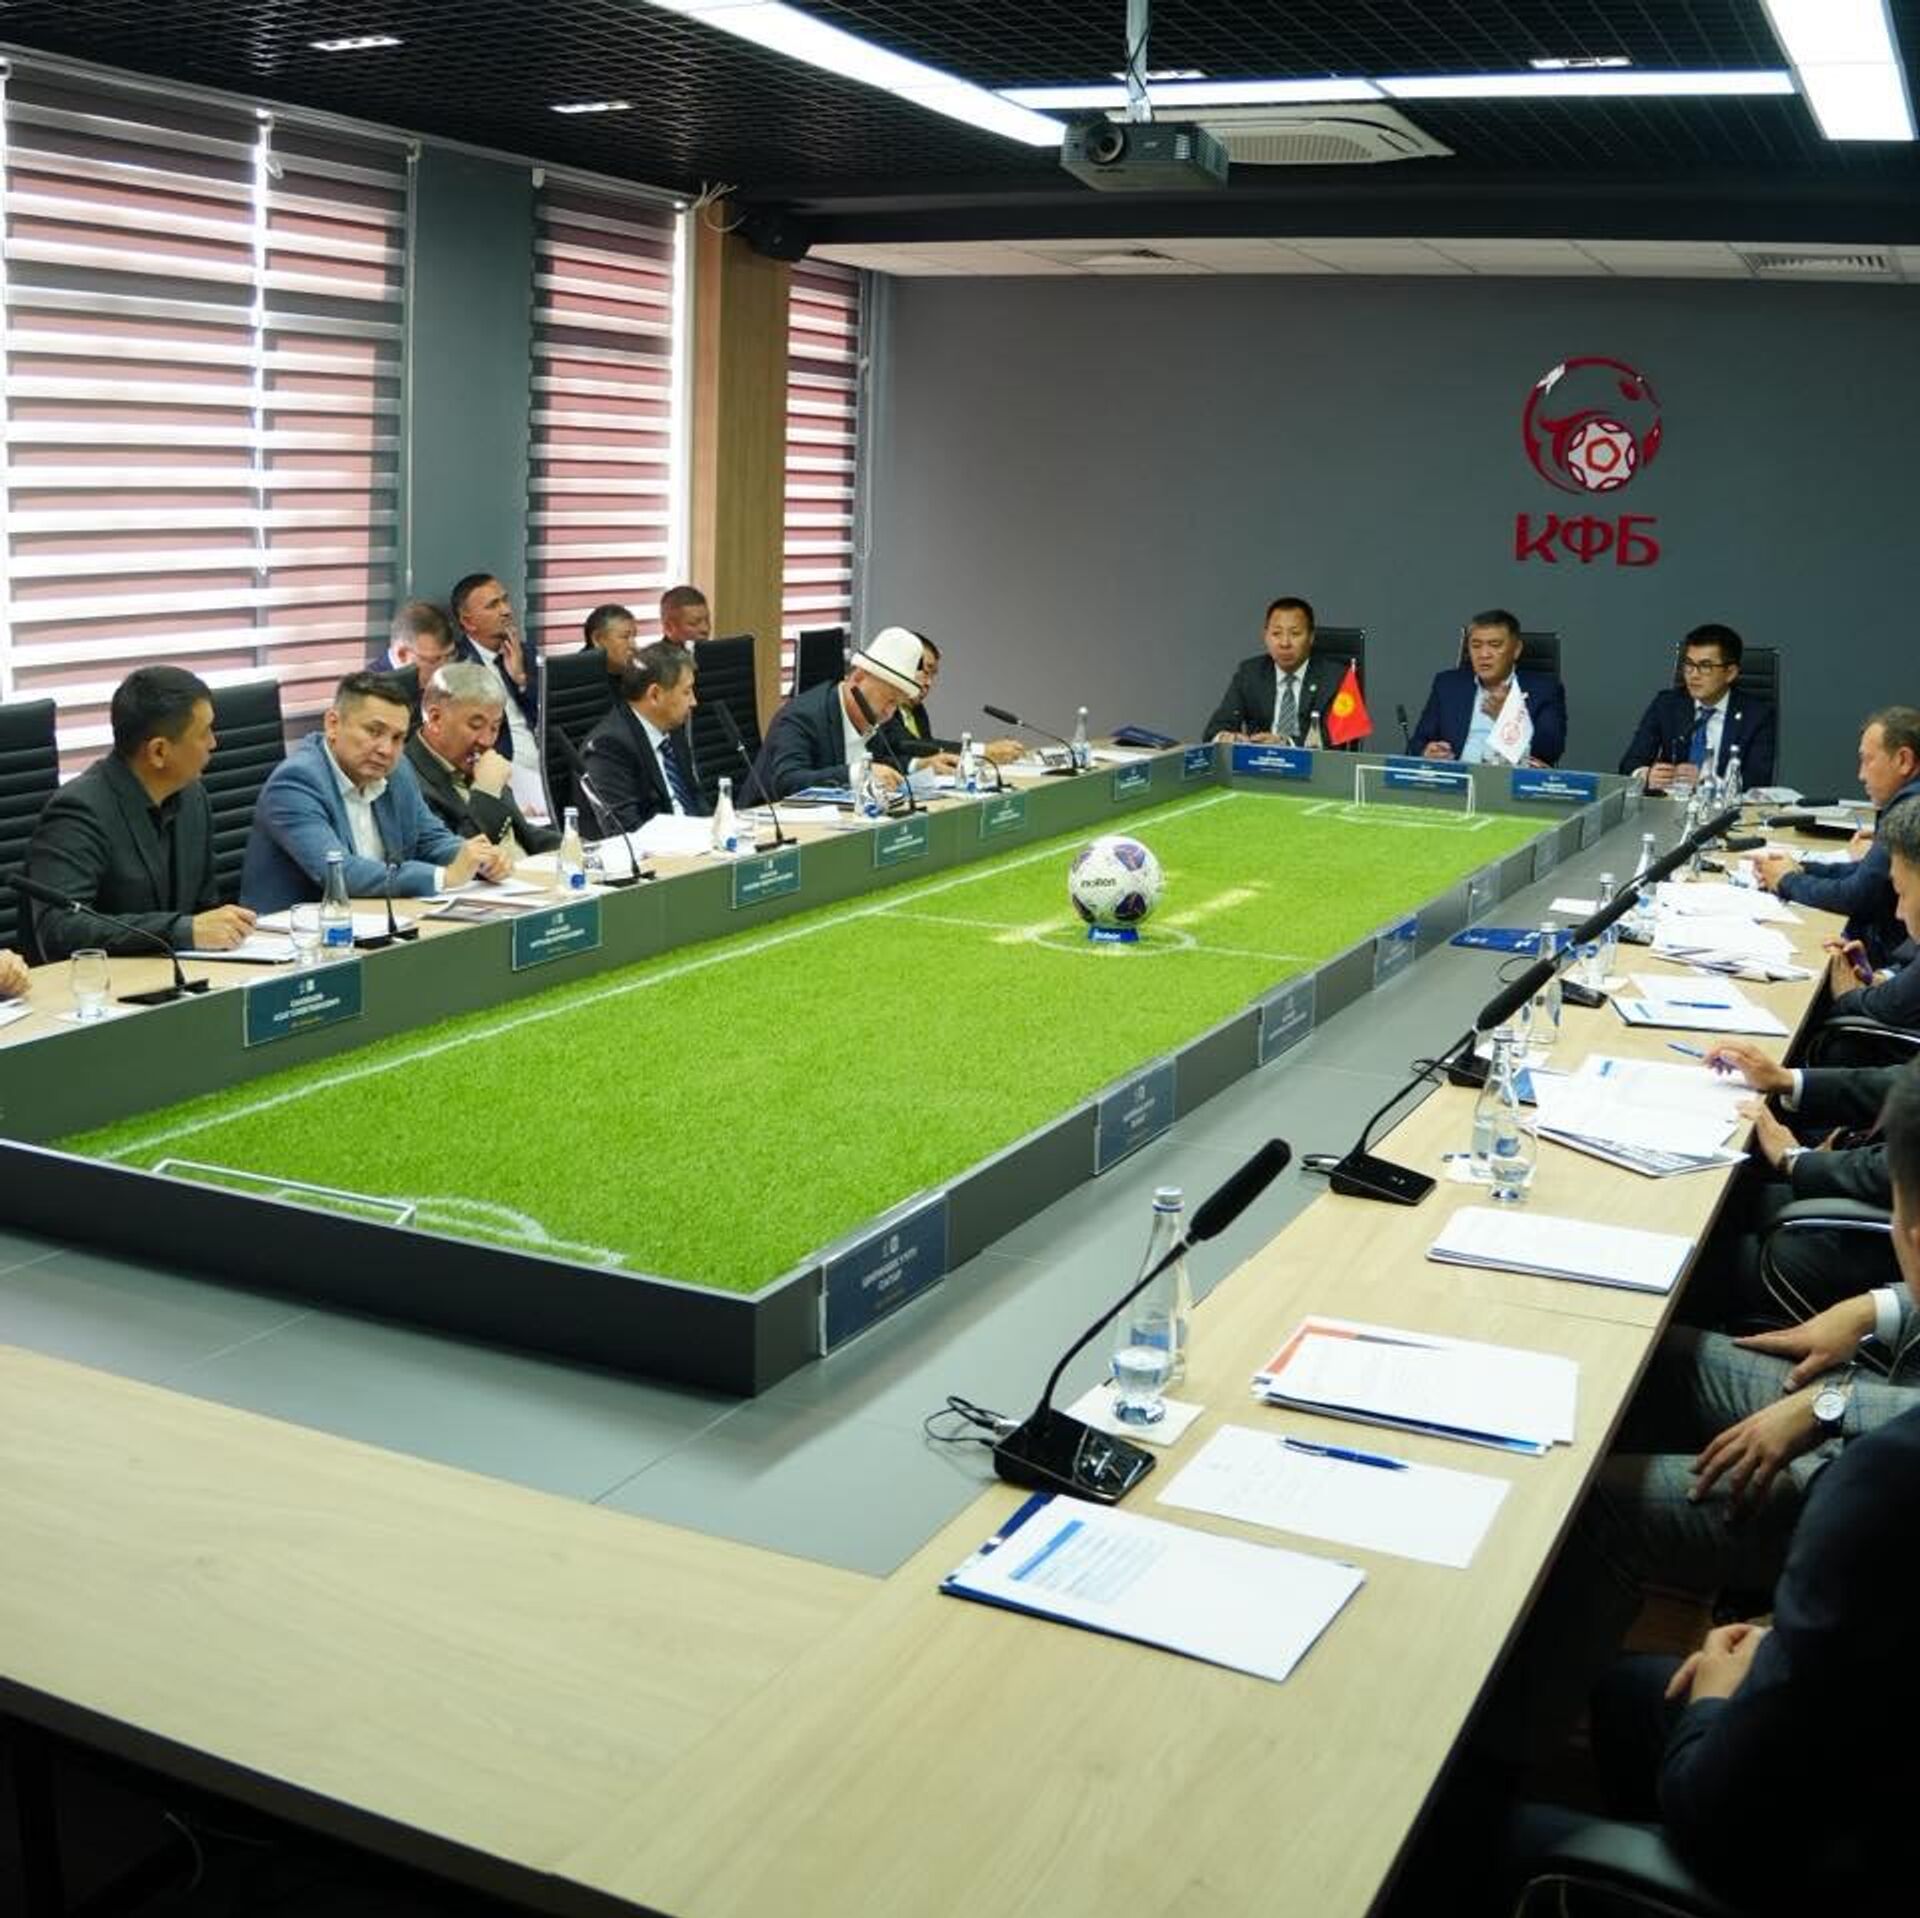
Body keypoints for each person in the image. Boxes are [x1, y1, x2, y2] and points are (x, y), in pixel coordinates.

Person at [1542, 1067, 1920, 1908]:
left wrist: (1720, 1696)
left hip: (1823, 1835)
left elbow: (1720, 1808)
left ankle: (1482, 1782)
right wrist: (1882, 1307)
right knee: (1660, 1366)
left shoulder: (1885, 1488)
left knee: (1599, 1511)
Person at [26, 664, 254, 962]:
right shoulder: (78, 810)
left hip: (182, 974)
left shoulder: (193, 798)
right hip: (103, 982)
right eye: (204, 733)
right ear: (159, 751)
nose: (214, 743)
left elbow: (205, 909)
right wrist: (180, 931)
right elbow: (61, 930)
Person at [241, 671, 511, 914]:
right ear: (333, 724)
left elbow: (430, 838)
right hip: (297, 935)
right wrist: (444, 877)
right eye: (374, 731)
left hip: (379, 921)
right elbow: (339, 872)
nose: (386, 750)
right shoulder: (297, 782)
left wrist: (476, 857)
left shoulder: (397, 770)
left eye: (397, 738)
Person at [1755, 706, 1920, 968]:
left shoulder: (1911, 808)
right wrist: (1803, 869)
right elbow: (1868, 875)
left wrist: (1787, 881)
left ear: (1904, 760)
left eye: (1868, 760)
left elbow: (1857, 895)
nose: (1860, 775)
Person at [748, 626, 922, 800]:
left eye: (896, 704)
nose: (889, 712)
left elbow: (887, 759)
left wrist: (918, 765)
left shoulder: (879, 716)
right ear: (858, 678)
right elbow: (787, 782)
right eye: (888, 700)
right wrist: (856, 775)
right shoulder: (802, 716)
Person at [405, 664, 561, 856]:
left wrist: (579, 849)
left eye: (495, 728)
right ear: (435, 719)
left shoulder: (476, 761)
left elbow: (522, 833)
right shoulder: (407, 780)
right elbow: (454, 858)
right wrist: (487, 791)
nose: (487, 741)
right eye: (475, 726)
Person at [1617, 623, 1777, 791]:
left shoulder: (1757, 716)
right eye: (1689, 664)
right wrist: (1646, 776)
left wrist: (1706, 780)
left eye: (1705, 666)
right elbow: (1629, 764)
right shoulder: (1666, 705)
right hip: (1672, 802)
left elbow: (1758, 783)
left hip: (1724, 806)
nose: (1693, 675)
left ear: (1730, 673)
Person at [1407, 609, 1566, 766]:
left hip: (1511, 779)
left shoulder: (1544, 690)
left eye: (1494, 645)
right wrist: (1426, 751)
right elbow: (1416, 744)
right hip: (1458, 777)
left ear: (1516, 649)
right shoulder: (1448, 684)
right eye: (1476, 645)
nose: (1484, 654)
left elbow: (1550, 751)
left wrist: (1508, 717)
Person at [578, 643, 705, 834]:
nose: (694, 702)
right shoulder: (607, 747)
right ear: (655, 695)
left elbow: (695, 798)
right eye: (686, 692)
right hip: (655, 847)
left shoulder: (673, 730)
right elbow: (627, 831)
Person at [1204, 597, 1349, 747]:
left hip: (1312, 761)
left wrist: (1286, 743)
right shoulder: (1250, 673)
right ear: (1265, 636)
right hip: (1259, 760)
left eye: (1295, 633)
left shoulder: (1335, 677)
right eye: (1276, 633)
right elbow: (1216, 728)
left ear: (1311, 637)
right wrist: (1227, 737)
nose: (1284, 643)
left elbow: (1339, 734)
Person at [872, 633, 1020, 773]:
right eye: (926, 672)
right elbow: (905, 744)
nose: (929, 683)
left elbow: (926, 748)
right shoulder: (883, 707)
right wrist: (982, 751)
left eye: (933, 675)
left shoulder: (917, 710)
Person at [371, 599, 457, 680]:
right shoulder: (371, 686)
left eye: (450, 655)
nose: (445, 669)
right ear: (402, 655)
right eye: (434, 660)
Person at [582, 603, 637, 680]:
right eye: (625, 637)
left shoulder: (634, 674)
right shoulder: (574, 678)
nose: (633, 645)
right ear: (597, 639)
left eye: (634, 636)